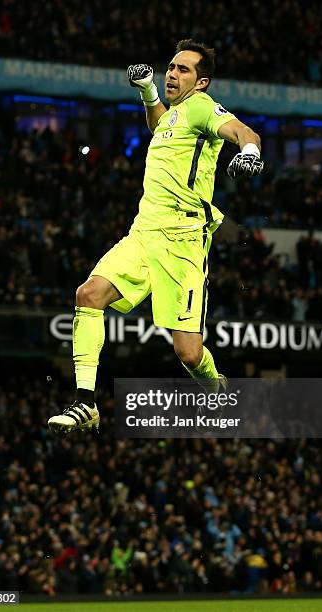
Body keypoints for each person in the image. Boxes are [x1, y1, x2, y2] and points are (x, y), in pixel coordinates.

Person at [48, 39, 264, 434]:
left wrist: (248, 152)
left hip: (183, 241)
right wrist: (148, 91)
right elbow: (160, 124)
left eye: (183, 70)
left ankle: (217, 389)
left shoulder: (201, 108)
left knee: (188, 352)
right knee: (88, 294)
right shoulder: (175, 115)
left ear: (202, 83)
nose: (172, 73)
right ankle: (85, 402)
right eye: (171, 67)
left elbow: (242, 130)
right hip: (143, 232)